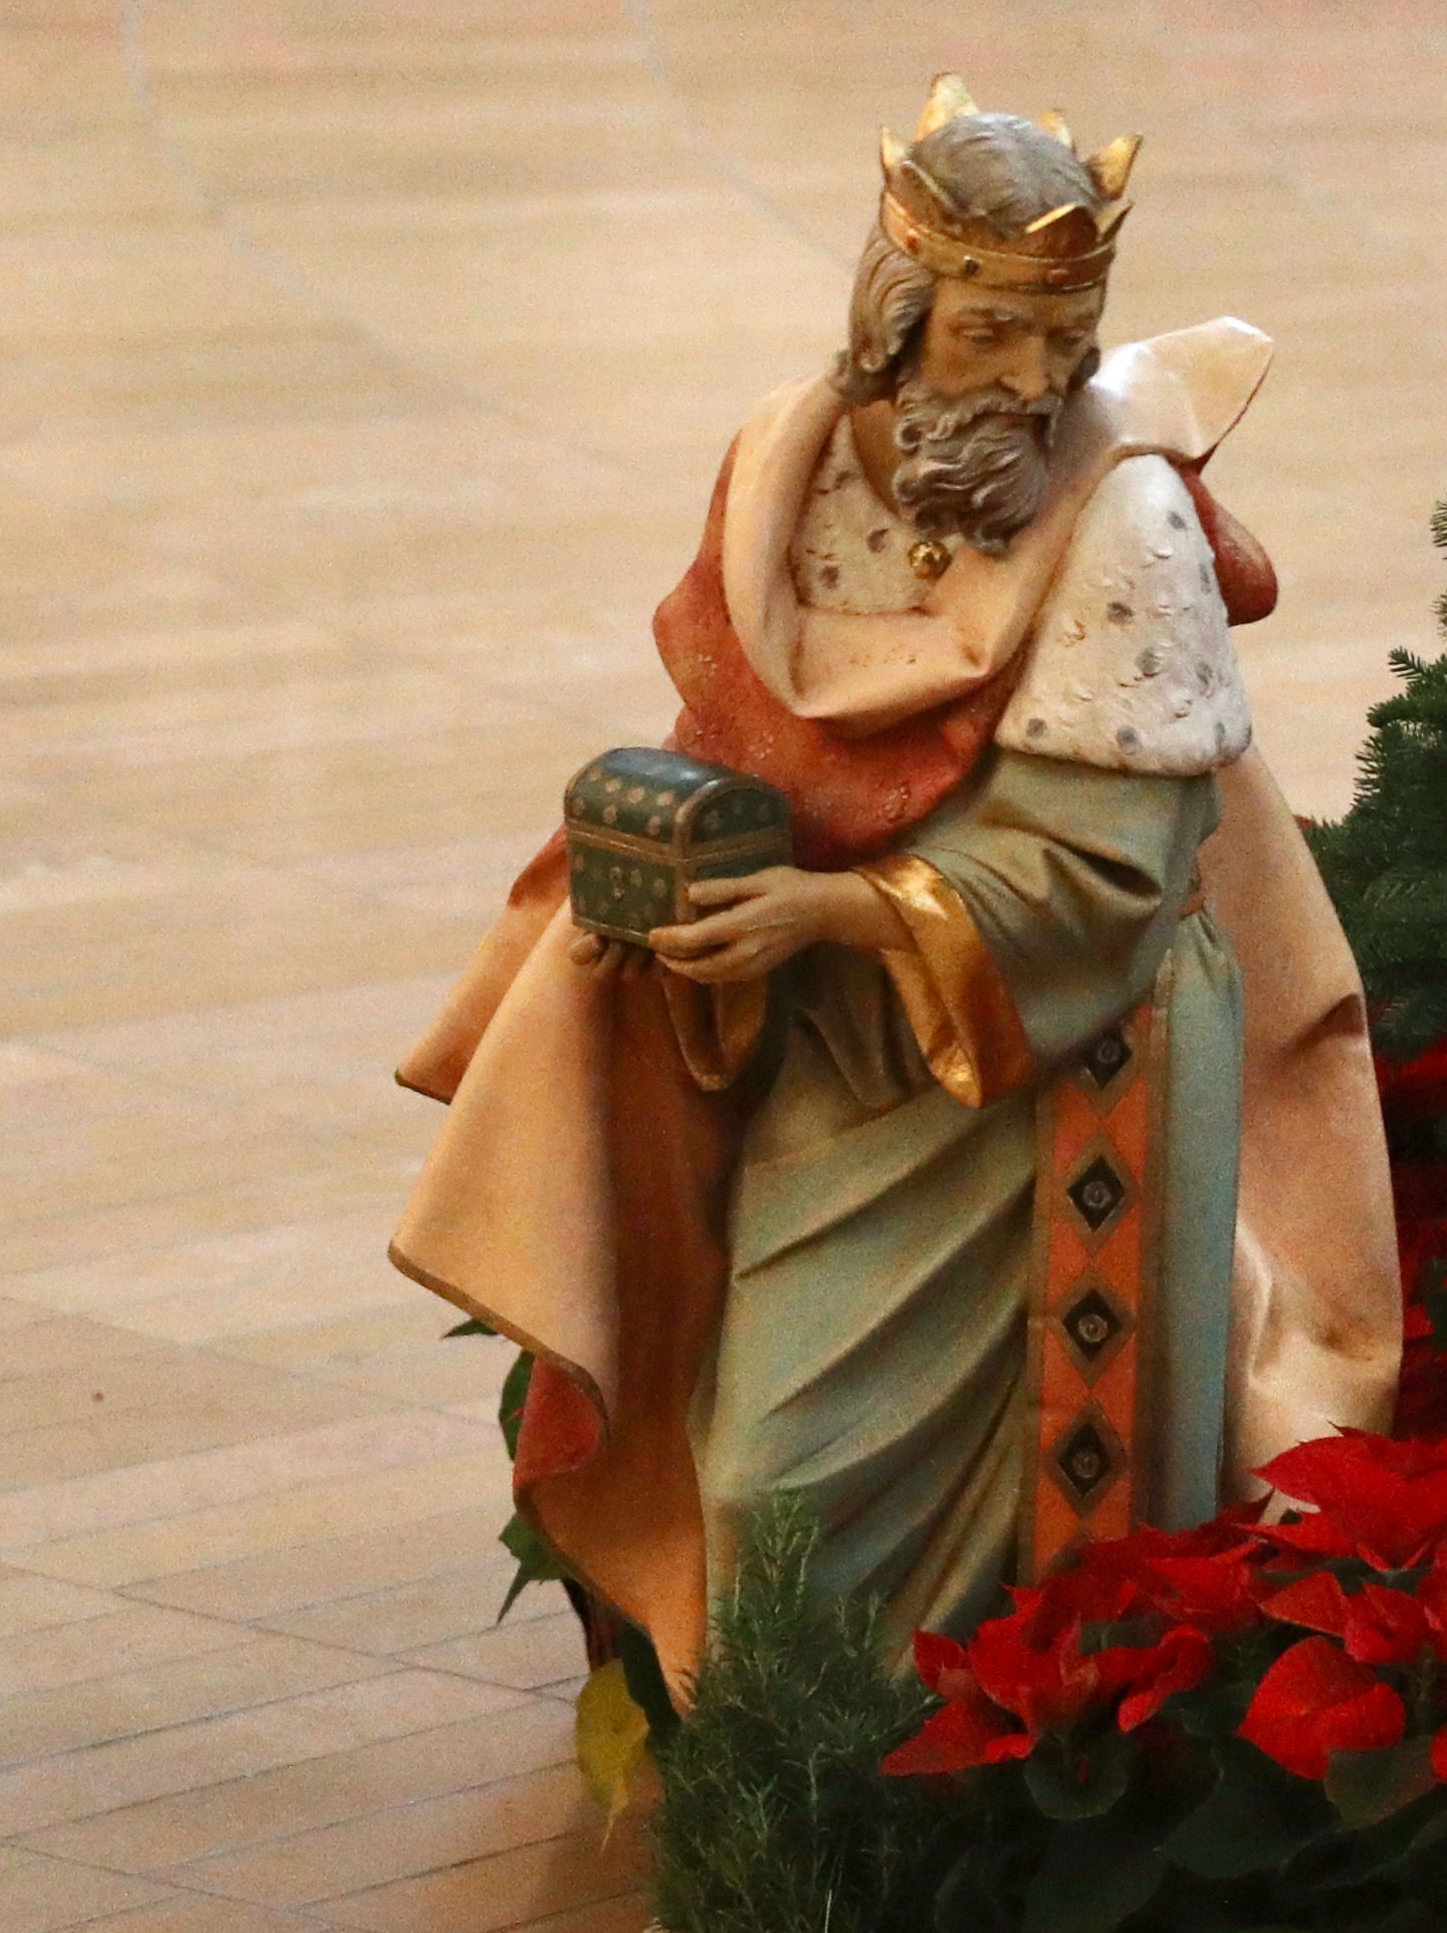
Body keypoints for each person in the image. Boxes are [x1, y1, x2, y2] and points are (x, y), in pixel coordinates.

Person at [388, 84, 1393, 1691]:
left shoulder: (1119, 512)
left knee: (1021, 1526)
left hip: (1063, 1050)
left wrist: (839, 912)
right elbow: (746, 737)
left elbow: (1108, 870)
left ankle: (965, 1836)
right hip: (836, 1044)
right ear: (897, 311)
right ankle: (807, 1847)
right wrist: (693, 881)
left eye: (1066, 332)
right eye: (992, 330)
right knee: (766, 1476)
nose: (1035, 377)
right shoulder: (788, 469)